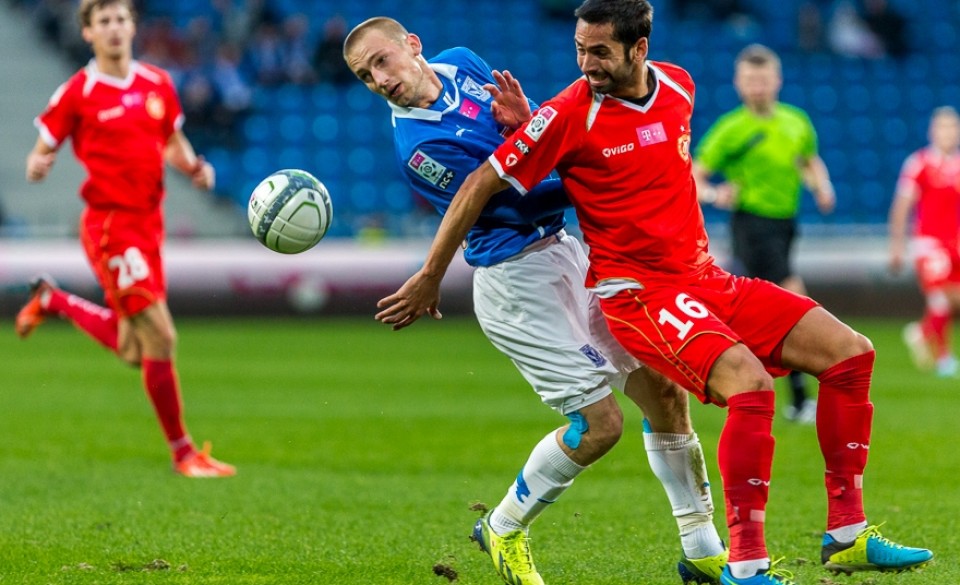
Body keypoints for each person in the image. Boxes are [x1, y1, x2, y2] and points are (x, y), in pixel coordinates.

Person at [373, 1, 934, 583]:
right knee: (645, 413)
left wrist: (532, 127)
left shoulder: (678, 86)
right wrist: (432, 272)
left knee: (848, 354)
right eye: (579, 50)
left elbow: (622, 159)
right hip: (598, 287)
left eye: (599, 52)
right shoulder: (547, 119)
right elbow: (489, 187)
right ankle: (734, 564)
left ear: (639, 48)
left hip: (687, 274)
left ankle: (834, 535)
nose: (586, 64)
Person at [343, 16, 728, 585]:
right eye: (364, 76)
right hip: (516, 281)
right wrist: (602, 168)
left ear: (413, 45)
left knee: (664, 390)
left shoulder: (463, 62)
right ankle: (502, 526)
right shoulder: (419, 148)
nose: (379, 79)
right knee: (601, 426)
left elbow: (533, 140)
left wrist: (528, 124)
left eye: (381, 61)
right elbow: (514, 200)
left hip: (566, 254)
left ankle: (702, 549)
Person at [17, 0, 235, 478]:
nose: (114, 28)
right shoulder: (78, 91)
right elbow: (42, 146)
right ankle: (184, 454)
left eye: (121, 19)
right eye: (104, 22)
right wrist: (37, 164)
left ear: (133, 27)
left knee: (135, 349)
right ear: (88, 33)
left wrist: (194, 167)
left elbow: (171, 140)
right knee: (162, 336)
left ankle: (53, 300)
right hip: (111, 227)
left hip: (149, 224)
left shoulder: (157, 82)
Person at [692, 44, 835, 424]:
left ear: (777, 81)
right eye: (750, 80)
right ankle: (800, 399)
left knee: (762, 312)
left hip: (786, 224)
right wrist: (714, 194)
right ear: (738, 83)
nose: (757, 86)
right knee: (794, 300)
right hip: (752, 223)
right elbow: (694, 174)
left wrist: (821, 186)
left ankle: (745, 385)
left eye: (763, 79)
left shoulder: (796, 121)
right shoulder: (731, 128)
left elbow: (808, 160)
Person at [889, 105, 960, 378]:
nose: (947, 133)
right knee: (939, 300)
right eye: (942, 127)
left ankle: (921, 332)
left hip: (954, 244)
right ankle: (944, 358)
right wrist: (897, 245)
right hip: (929, 244)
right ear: (932, 131)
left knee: (952, 300)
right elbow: (902, 206)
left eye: (952, 127)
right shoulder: (919, 163)